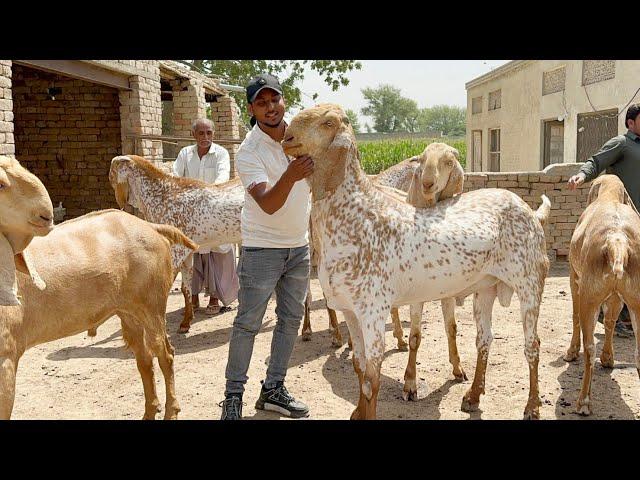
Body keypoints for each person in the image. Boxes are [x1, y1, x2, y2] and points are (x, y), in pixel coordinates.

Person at [218, 74, 314, 420]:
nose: (270, 107)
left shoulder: (301, 137)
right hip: (262, 250)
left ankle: (273, 388)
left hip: (299, 247)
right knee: (248, 323)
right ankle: (233, 396)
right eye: (262, 102)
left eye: (275, 100)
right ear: (251, 108)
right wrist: (291, 173)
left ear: (283, 101)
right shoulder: (249, 151)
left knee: (290, 320)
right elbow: (269, 204)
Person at [567, 103, 640, 337]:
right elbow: (596, 161)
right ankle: (609, 315)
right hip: (619, 216)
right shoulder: (622, 143)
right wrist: (582, 175)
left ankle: (620, 316)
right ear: (631, 123)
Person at [173, 118, 239, 315]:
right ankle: (192, 299)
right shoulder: (185, 153)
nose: (205, 137)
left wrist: (202, 193)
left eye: (209, 133)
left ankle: (214, 298)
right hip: (191, 213)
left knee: (217, 254)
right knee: (191, 254)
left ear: (214, 134)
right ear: (193, 135)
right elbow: (176, 176)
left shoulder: (221, 154)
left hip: (215, 210)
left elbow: (222, 178)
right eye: (201, 133)